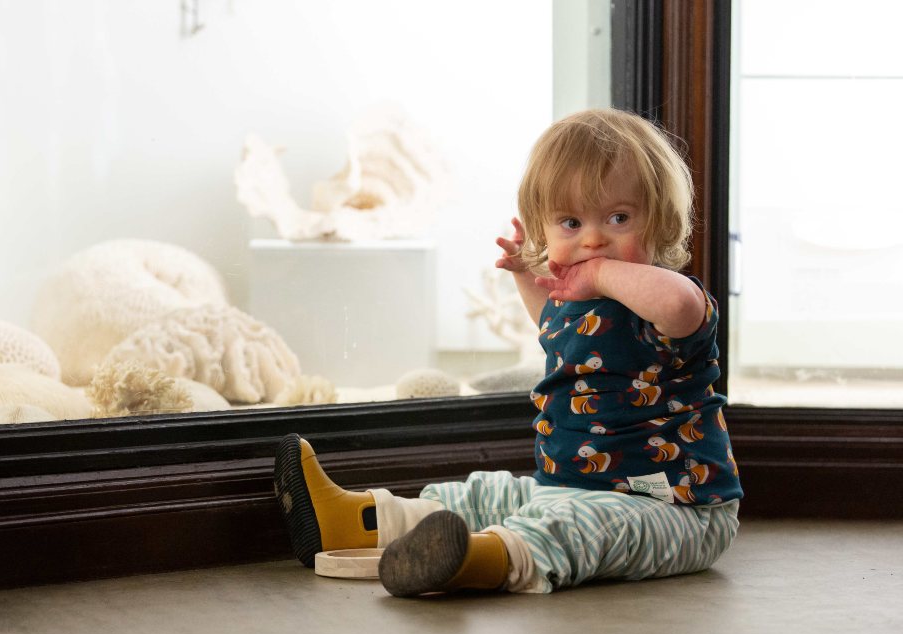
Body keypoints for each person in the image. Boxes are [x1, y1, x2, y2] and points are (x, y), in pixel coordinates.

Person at [273, 108, 742, 597]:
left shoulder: (669, 299)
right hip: (567, 487)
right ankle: (358, 521)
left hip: (676, 508)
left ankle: (474, 560)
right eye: (570, 222)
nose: (594, 238)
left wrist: (600, 274)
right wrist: (525, 273)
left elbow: (681, 304)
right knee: (487, 494)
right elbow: (551, 329)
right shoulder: (576, 306)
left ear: (661, 222)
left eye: (619, 218)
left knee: (579, 530)